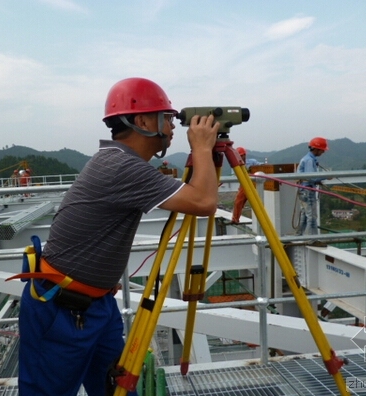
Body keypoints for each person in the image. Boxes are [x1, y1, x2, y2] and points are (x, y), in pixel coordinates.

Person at [17, 77, 220, 395]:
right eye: (166, 118)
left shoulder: (119, 161)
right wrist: (203, 148)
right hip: (61, 310)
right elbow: (205, 202)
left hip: (94, 305)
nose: (173, 126)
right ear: (142, 121)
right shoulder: (121, 166)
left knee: (118, 389)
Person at [296, 137, 329, 235]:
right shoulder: (309, 160)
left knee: (305, 215)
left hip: (303, 190)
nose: (323, 152)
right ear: (317, 149)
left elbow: (309, 177)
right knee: (312, 217)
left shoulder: (308, 159)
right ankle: (313, 240)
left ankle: (298, 235)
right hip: (308, 191)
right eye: (322, 150)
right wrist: (326, 176)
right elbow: (311, 178)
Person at [231, 146, 261, 224]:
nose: (241, 157)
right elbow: (235, 175)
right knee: (238, 202)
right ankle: (235, 218)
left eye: (242, 155)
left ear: (245, 155)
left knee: (257, 203)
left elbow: (262, 166)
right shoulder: (235, 165)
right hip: (244, 184)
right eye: (240, 156)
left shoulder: (252, 162)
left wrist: (254, 169)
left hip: (254, 183)